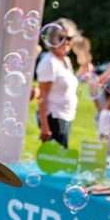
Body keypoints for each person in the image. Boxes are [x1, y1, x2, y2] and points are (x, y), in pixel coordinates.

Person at [36, 18, 80, 148]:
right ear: (52, 38)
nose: (66, 42)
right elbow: (42, 97)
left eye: (69, 38)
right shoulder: (49, 62)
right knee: (55, 164)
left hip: (65, 117)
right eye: (61, 37)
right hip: (54, 119)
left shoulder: (66, 61)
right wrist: (45, 127)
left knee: (59, 162)